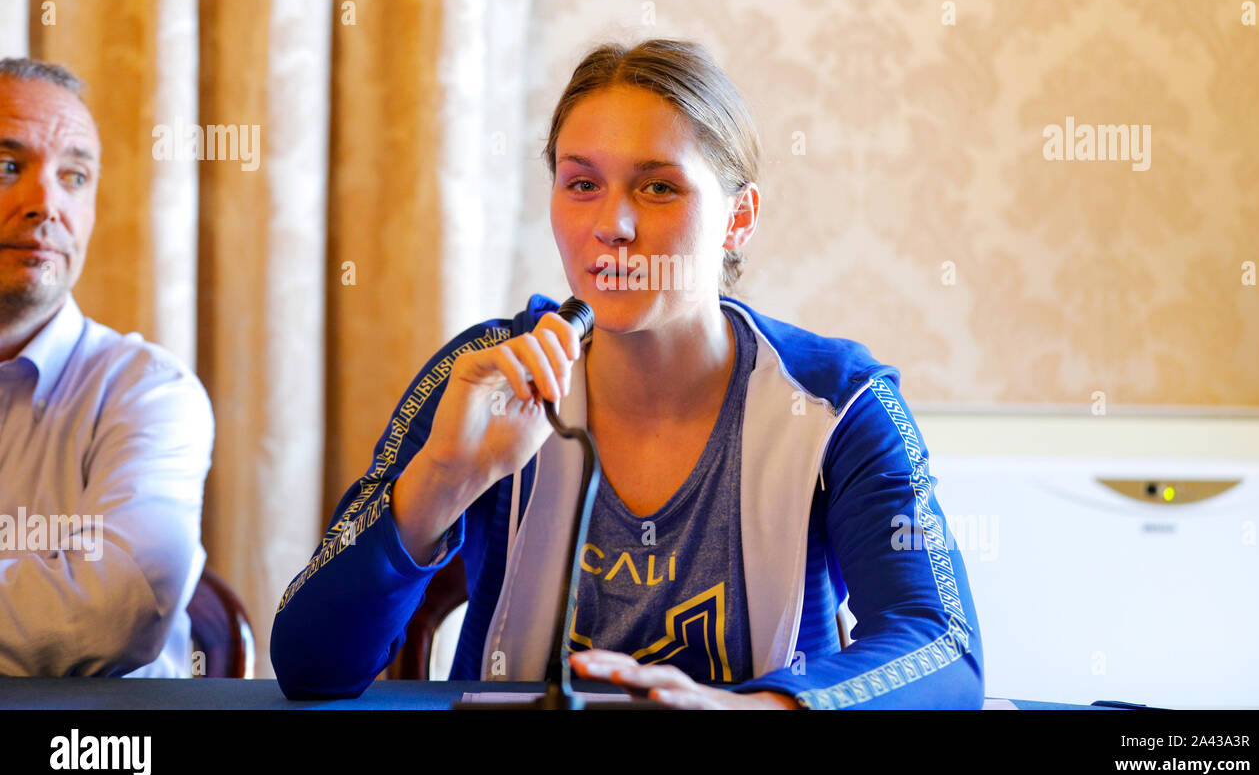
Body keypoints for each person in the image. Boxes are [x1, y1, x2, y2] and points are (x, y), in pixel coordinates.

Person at [271, 39, 983, 708]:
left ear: (740, 219)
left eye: (658, 189)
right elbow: (309, 667)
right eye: (581, 183)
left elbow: (943, 645)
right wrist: (445, 477)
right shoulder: (486, 374)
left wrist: (746, 708)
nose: (612, 224)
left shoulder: (837, 402)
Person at [0, 57, 213, 677]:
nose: (45, 203)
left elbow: (116, 611)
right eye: (7, 167)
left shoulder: (150, 392)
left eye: (75, 176)